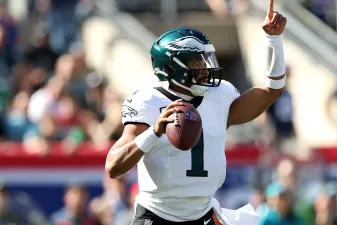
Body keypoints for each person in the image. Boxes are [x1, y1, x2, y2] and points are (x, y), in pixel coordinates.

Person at [105, 6, 287, 224]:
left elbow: (272, 90)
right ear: (172, 68)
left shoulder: (219, 95)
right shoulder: (148, 102)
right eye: (196, 62)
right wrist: (155, 132)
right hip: (157, 215)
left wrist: (273, 40)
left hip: (203, 214)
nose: (205, 68)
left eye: (205, 60)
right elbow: (113, 167)